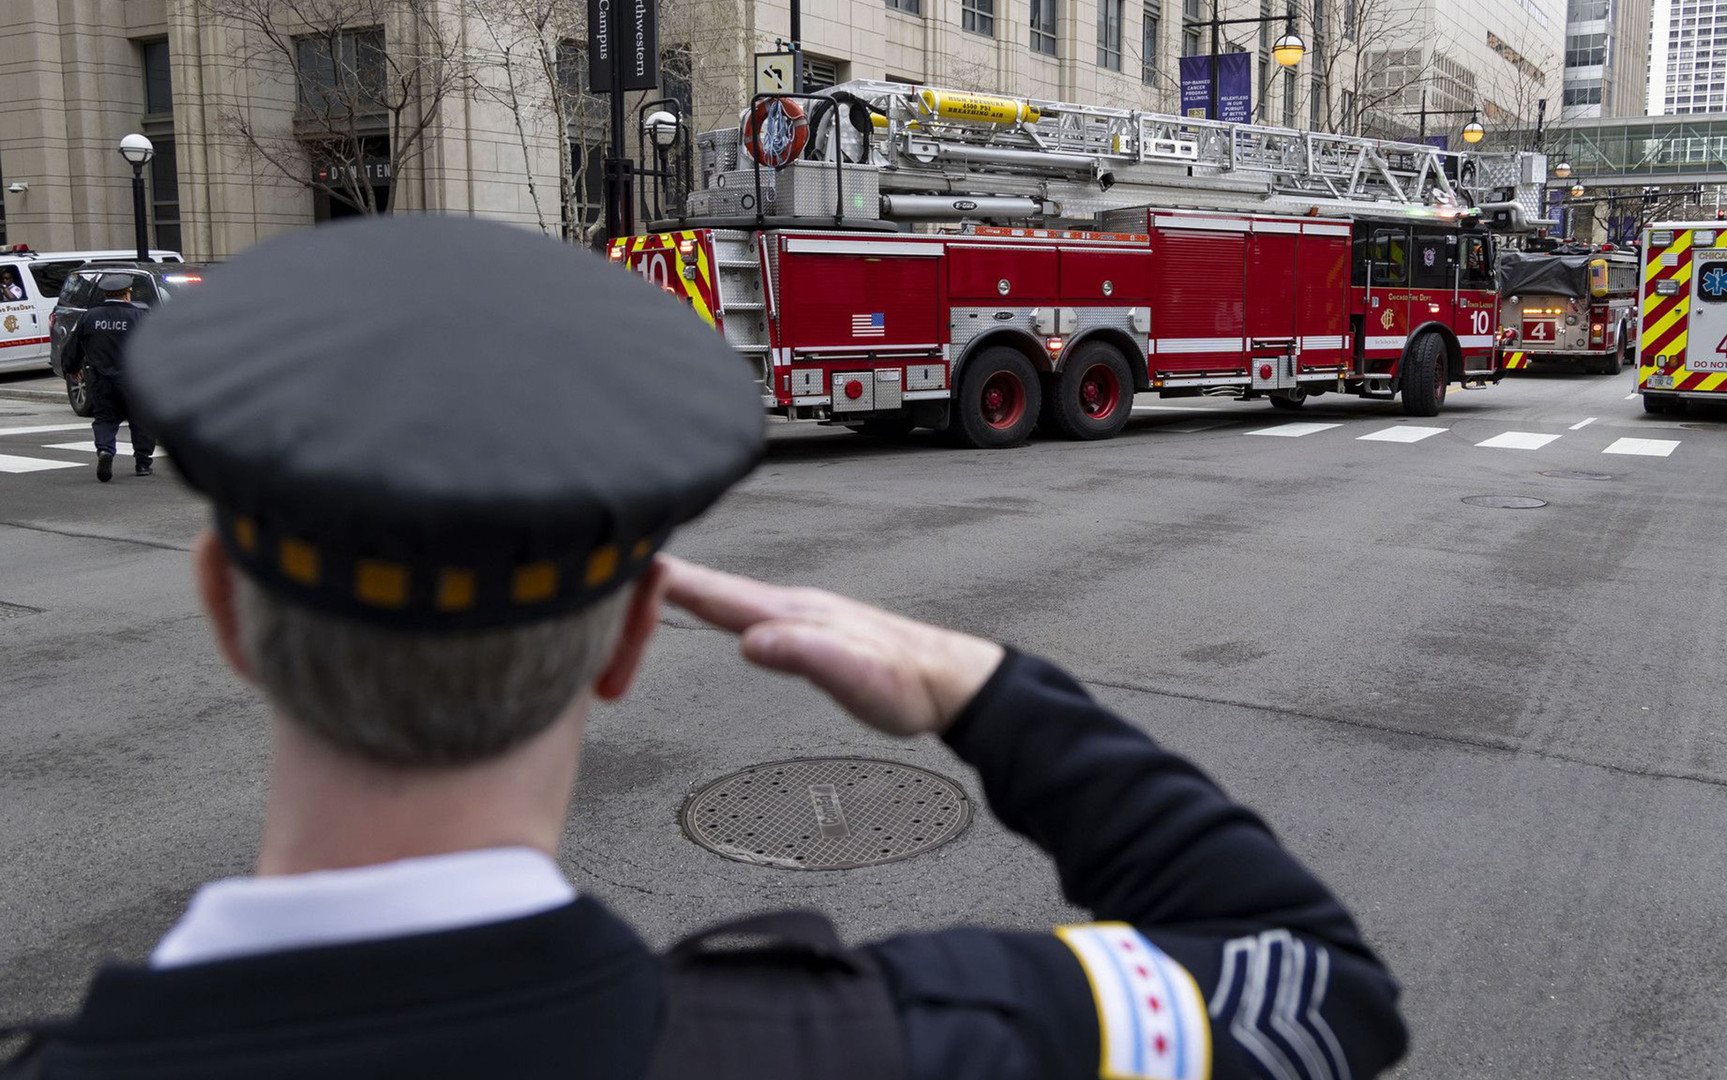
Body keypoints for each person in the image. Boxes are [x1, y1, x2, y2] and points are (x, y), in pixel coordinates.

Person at [1, 218, 1407, 1080]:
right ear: (627, 638)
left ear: (225, 611)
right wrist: (986, 689)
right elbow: (1319, 990)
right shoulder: (901, 1041)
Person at [57, 273, 155, 481]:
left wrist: (72, 369)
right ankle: (143, 463)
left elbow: (73, 346)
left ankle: (105, 451)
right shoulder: (139, 317)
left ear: (106, 294)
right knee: (141, 421)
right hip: (134, 380)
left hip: (100, 379)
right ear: (127, 294)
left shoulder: (90, 317)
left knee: (105, 419)